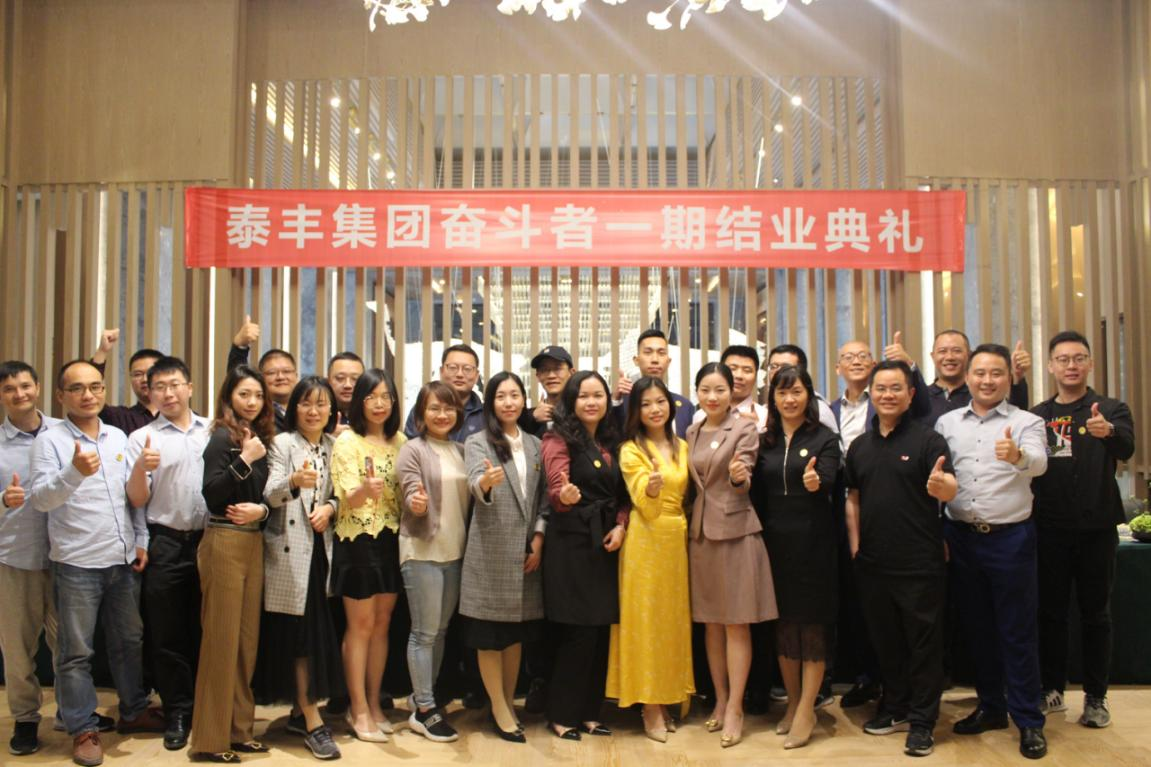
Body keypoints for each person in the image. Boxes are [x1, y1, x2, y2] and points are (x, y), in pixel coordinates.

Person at [29, 360, 164, 767]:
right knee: (75, 652)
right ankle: (83, 727)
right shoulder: (49, 442)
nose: (88, 395)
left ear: (104, 390)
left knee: (129, 641)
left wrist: (140, 539)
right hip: (76, 563)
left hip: (121, 560)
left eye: (95, 386)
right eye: (77, 388)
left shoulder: (117, 436)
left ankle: (133, 710)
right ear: (61, 396)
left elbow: (129, 497)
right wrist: (73, 472)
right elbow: (40, 500)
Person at [936, 343, 1049, 760]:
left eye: (996, 373)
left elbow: (1040, 462)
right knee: (978, 629)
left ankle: (1029, 720)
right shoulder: (947, 422)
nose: (987, 380)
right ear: (967, 377)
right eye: (980, 373)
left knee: (1017, 632)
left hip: (1010, 538)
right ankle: (991, 707)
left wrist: (1018, 456)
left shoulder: (1027, 421)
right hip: (961, 536)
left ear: (1009, 378)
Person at [844, 360, 957, 757]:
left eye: (896, 388)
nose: (887, 395)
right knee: (886, 642)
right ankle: (896, 708)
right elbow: (853, 498)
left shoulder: (929, 441)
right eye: (881, 388)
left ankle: (923, 722)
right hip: (873, 563)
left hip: (919, 562)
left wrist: (943, 486)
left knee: (923, 645)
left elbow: (949, 488)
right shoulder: (860, 446)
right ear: (871, 395)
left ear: (910, 395)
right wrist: (856, 546)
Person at [1031, 331, 1135, 728]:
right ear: (1051, 366)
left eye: (1078, 358)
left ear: (1089, 364)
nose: (1071, 365)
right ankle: (1051, 689)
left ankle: (1096, 697)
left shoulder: (1111, 409)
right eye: (1063, 359)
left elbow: (1126, 448)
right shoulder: (1039, 416)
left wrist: (1109, 432)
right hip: (1050, 529)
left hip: (1097, 529)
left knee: (1096, 615)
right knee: (1051, 613)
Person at [686, 362, 777, 749]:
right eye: (705, 390)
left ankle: (737, 707)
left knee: (737, 624)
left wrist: (741, 477)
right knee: (711, 624)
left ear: (731, 392)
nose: (712, 397)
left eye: (720, 390)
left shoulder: (743, 428)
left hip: (737, 532)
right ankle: (720, 700)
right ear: (697, 392)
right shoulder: (691, 431)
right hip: (700, 536)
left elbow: (745, 474)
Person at [750, 365, 841, 750]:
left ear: (809, 395)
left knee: (812, 627)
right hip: (774, 545)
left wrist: (816, 482)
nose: (790, 399)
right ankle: (791, 701)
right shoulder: (764, 441)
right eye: (782, 393)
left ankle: (807, 709)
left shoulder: (825, 438)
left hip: (814, 544)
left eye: (797, 391)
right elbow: (753, 491)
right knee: (784, 625)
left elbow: (830, 479)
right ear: (773, 398)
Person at [124, 356, 211, 752]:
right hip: (166, 541)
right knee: (167, 632)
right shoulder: (142, 437)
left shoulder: (212, 430)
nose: (168, 393)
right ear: (150, 392)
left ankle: (208, 707)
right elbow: (136, 498)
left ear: (189, 387)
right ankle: (177, 710)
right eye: (159, 387)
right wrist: (140, 467)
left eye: (175, 384)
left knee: (207, 627)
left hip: (211, 540)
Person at [255, 376, 344, 760]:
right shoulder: (282, 443)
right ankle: (312, 721)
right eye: (306, 403)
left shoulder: (335, 446)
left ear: (331, 410)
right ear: (294, 409)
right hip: (290, 553)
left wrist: (331, 508)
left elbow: (342, 494)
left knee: (315, 636)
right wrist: (292, 480)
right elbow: (269, 494)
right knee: (302, 639)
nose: (313, 411)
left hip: (323, 551)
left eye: (321, 404)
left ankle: (299, 712)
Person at [190, 364, 275, 763]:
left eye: (258, 395)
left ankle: (240, 731)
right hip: (223, 539)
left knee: (246, 643)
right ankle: (210, 740)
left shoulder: (259, 437)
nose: (252, 402)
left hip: (253, 541)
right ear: (229, 397)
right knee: (221, 641)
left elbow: (264, 498)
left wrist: (263, 511)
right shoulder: (222, 437)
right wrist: (245, 459)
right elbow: (212, 493)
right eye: (244, 394)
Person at [541, 370, 628, 741]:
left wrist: (621, 524)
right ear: (571, 401)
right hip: (572, 543)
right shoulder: (557, 438)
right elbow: (556, 486)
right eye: (583, 396)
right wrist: (564, 496)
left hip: (606, 542)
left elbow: (623, 495)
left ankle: (591, 712)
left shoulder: (611, 439)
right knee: (577, 631)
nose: (592, 402)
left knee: (600, 630)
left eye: (598, 395)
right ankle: (562, 715)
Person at [462, 372, 548, 743]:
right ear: (491, 403)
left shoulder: (535, 444)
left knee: (515, 636)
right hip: (490, 552)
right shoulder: (477, 441)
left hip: (527, 553)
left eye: (515, 395)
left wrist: (539, 537)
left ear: (524, 400)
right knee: (489, 636)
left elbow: (544, 498)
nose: (509, 402)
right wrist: (484, 483)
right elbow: (473, 482)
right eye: (501, 396)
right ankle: (498, 707)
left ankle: (509, 703)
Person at [607, 377, 695, 743]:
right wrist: (652, 489)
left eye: (660, 401)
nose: (655, 409)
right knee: (645, 621)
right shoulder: (631, 449)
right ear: (636, 411)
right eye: (645, 404)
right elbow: (643, 502)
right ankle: (650, 705)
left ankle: (669, 694)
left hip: (677, 539)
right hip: (645, 539)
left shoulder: (683, 445)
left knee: (671, 620)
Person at [329, 368, 404, 743]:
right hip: (356, 540)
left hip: (392, 539)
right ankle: (356, 708)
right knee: (359, 626)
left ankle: (374, 703)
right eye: (371, 397)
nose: (379, 404)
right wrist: (364, 490)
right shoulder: (347, 441)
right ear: (359, 401)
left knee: (382, 624)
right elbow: (346, 496)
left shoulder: (401, 441)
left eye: (385, 396)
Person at [396, 381, 472, 743]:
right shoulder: (413, 449)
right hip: (422, 550)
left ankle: (422, 696)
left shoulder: (462, 450)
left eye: (448, 408)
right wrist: (416, 502)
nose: (442, 415)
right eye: (434, 408)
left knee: (440, 631)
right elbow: (410, 488)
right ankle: (425, 710)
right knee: (424, 633)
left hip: (455, 551)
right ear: (421, 414)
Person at [0, 361, 62, 756]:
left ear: (38, 387)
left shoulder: (63, 433)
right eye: (9, 389)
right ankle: (25, 718)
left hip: (65, 555)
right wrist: (3, 500)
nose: (19, 394)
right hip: (15, 557)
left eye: (25, 385)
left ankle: (74, 712)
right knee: (18, 648)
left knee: (69, 644)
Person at [927, 330, 1031, 425]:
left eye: (957, 351)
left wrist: (1017, 376)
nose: (950, 357)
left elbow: (1016, 416)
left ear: (969, 355)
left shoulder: (984, 392)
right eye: (942, 351)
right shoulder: (921, 397)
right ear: (933, 356)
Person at [613, 329, 694, 437]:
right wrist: (615, 401)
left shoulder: (685, 406)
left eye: (661, 353)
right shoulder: (622, 402)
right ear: (636, 360)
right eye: (648, 352)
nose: (655, 359)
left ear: (668, 361)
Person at [226, 313, 299, 433]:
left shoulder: (307, 409)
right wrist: (240, 346)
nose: (280, 377)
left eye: (286, 371)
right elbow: (238, 379)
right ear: (260, 378)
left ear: (296, 376)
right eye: (272, 373)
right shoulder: (255, 410)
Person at [403, 344, 485, 442]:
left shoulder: (486, 414)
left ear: (476, 376)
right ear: (441, 371)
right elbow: (411, 446)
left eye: (467, 369)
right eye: (453, 368)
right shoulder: (422, 408)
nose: (459, 374)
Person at [89, 329, 161, 435]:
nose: (145, 379)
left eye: (151, 373)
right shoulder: (120, 417)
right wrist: (102, 351)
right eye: (138, 374)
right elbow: (90, 391)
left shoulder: (180, 416)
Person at [765, 344, 840, 436]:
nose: (778, 371)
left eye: (785, 367)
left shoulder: (818, 409)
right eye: (773, 366)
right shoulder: (769, 405)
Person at [692, 345, 767, 432]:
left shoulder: (765, 416)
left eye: (747, 370)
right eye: (732, 369)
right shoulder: (701, 415)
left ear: (756, 376)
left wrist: (757, 428)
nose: (739, 375)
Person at [522, 345, 573, 436]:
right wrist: (533, 420)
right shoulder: (527, 417)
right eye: (544, 370)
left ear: (571, 373)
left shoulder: (581, 412)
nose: (551, 376)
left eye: (557, 368)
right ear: (538, 376)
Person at [327, 352, 366, 429]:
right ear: (328, 381)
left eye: (355, 379)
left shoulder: (372, 417)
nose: (348, 385)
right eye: (340, 378)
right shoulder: (316, 415)